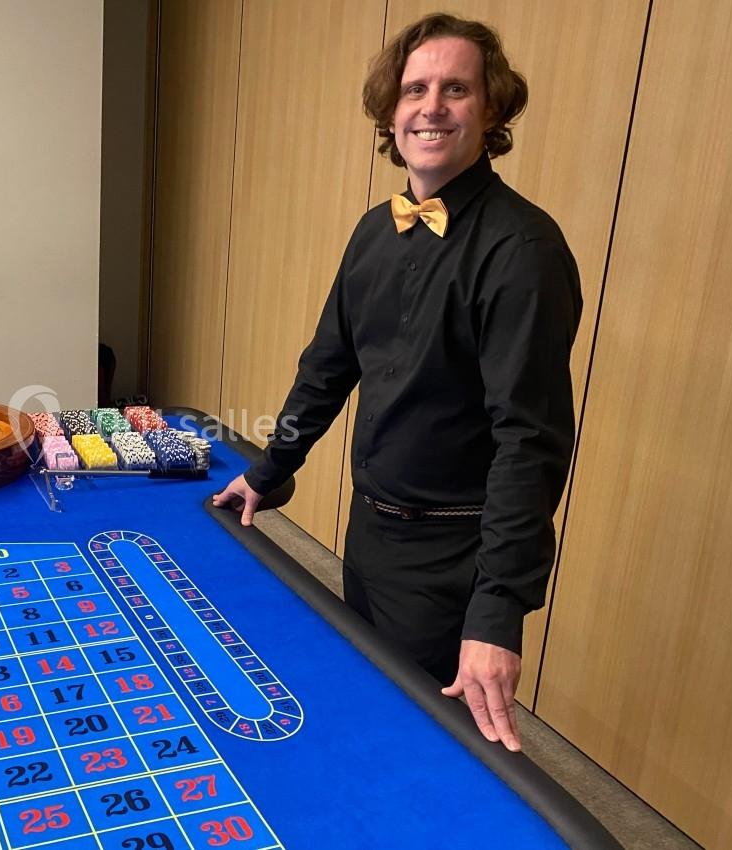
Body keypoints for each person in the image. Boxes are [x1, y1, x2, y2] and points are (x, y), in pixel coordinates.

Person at [212, 13, 582, 753]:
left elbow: (530, 444)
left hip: (453, 555)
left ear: (493, 109)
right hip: (372, 531)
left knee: (419, 749)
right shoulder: (375, 232)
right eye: (415, 89)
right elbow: (326, 368)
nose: (431, 106)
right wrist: (269, 470)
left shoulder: (523, 251)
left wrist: (495, 612)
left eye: (456, 88)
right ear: (391, 110)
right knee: (368, 710)